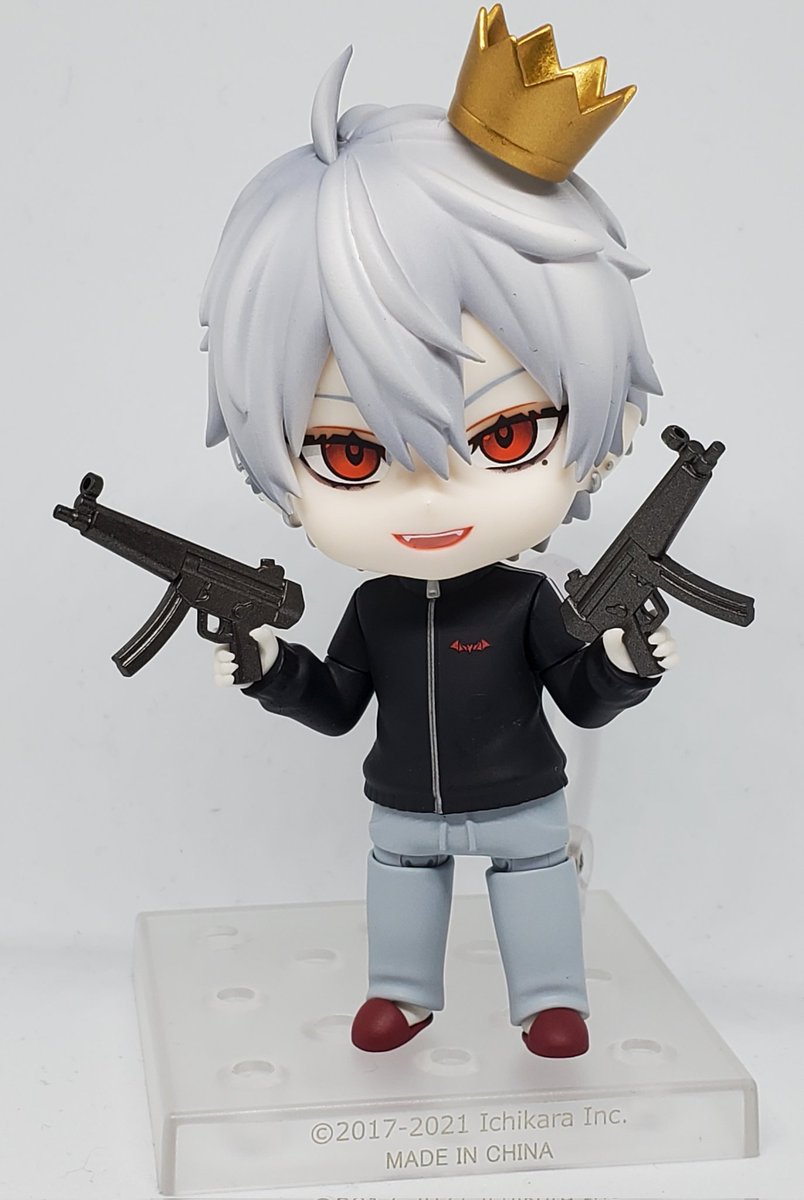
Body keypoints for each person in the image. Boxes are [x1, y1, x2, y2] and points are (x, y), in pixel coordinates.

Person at [202, 30, 677, 1057]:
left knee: (536, 882)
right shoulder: (373, 608)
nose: (430, 498)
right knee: (400, 884)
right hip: (403, 808)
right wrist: (270, 669)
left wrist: (625, 663)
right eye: (350, 452)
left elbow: (580, 696)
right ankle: (403, 992)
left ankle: (551, 997)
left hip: (524, 800)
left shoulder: (525, 602)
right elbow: (338, 704)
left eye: (504, 437)